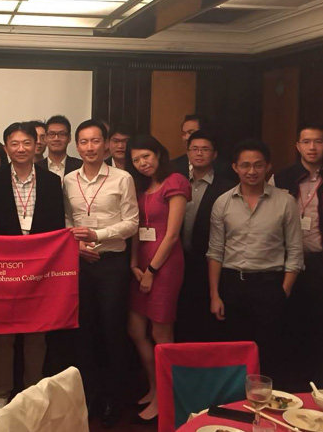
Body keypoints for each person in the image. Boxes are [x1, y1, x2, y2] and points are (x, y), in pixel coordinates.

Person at [0, 123, 65, 415]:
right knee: (2, 332)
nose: (20, 149)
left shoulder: (52, 182)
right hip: (5, 267)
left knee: (36, 332)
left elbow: (58, 227)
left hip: (41, 267)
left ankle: (32, 390)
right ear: (6, 148)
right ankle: (0, 394)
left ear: (36, 146)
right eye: (14, 144)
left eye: (26, 143)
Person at [63, 119, 139, 428]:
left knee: (112, 332)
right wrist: (76, 246)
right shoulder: (68, 179)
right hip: (79, 264)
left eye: (96, 141)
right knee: (84, 332)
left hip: (111, 265)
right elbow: (66, 220)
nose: (90, 147)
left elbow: (132, 222)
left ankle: (113, 397)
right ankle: (88, 395)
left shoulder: (122, 178)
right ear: (76, 146)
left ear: (106, 144)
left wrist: (100, 236)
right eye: (84, 142)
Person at [206, 139, 303, 378]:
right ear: (235, 167)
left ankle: (268, 404)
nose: (252, 171)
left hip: (270, 285)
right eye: (245, 165)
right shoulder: (223, 202)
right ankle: (236, 404)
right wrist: (215, 294)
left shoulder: (285, 202)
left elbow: (295, 251)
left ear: (268, 166)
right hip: (232, 284)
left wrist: (284, 291)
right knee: (233, 351)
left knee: (269, 351)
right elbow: (215, 251)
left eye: (258, 165)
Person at [273, 124, 323, 385]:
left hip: (321, 263)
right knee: (285, 322)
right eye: (306, 142)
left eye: (317, 142)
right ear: (298, 146)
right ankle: (285, 381)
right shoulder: (280, 178)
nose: (312, 147)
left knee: (318, 325)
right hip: (284, 264)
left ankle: (313, 383)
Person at [125, 135, 190, 423]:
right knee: (135, 330)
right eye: (137, 159)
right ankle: (154, 387)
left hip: (165, 267)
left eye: (146, 156)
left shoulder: (174, 181)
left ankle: (168, 397)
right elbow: (138, 230)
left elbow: (173, 234)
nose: (142, 163)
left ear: (159, 154)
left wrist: (151, 271)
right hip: (142, 266)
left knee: (162, 335)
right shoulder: (141, 187)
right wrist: (134, 264)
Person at [175, 131, 235, 343]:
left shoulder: (227, 187)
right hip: (177, 260)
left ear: (215, 154)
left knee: (205, 320)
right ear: (188, 152)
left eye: (205, 149)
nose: (199, 153)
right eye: (194, 149)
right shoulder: (176, 181)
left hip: (209, 261)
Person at [37, 114, 82, 181]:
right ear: (45, 138)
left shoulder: (81, 166)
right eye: (52, 134)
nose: (56, 139)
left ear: (69, 138)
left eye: (62, 134)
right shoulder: (36, 168)